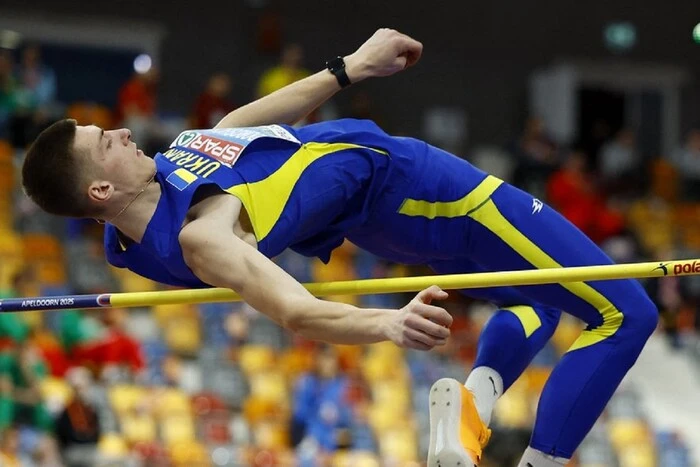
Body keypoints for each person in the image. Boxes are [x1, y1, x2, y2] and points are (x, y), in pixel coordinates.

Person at [21, 28, 659, 467]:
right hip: (427, 190)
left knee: (538, 301)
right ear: (101, 187)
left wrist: (347, 68)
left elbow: (240, 124)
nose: (125, 131)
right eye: (107, 141)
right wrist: (390, 321)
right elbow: (294, 311)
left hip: (382, 219)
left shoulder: (158, 188)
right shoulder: (203, 233)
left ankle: (467, 414)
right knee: (627, 312)